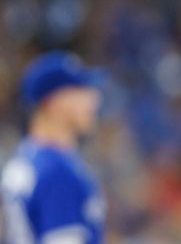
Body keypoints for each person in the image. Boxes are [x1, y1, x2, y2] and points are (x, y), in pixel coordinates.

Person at [1, 52, 105, 244]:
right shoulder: (57, 171)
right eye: (81, 90)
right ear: (54, 101)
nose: (94, 99)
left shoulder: (27, 159)